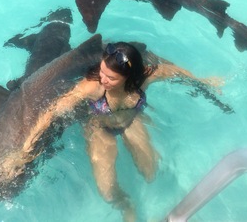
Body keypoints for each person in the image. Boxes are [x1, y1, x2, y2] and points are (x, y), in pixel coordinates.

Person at [51, 42, 221, 222]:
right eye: (102, 72)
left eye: (111, 77)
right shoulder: (93, 87)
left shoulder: (143, 78)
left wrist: (204, 81)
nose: (103, 79)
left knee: (150, 172)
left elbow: (172, 70)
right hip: (100, 128)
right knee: (108, 192)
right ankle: (127, 205)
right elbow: (51, 112)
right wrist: (27, 147)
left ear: (129, 76)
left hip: (131, 121)